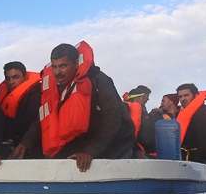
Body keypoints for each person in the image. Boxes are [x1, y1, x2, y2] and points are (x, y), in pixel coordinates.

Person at [12, 42, 135, 172]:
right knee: (46, 156)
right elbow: (44, 118)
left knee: (86, 167)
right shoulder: (56, 86)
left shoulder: (100, 81)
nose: (57, 72)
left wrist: (91, 151)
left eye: (63, 66)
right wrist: (25, 143)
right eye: (54, 67)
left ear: (76, 63)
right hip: (84, 142)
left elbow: (112, 121)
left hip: (116, 144)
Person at [0, 61, 42, 145]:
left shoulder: (36, 94)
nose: (11, 82)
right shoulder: (1, 94)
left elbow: (28, 125)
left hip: (30, 145)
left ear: (25, 77)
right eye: (8, 78)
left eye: (16, 77)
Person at [124, 85, 156, 156]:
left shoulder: (142, 110)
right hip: (134, 147)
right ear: (137, 97)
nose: (146, 99)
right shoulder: (126, 109)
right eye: (145, 97)